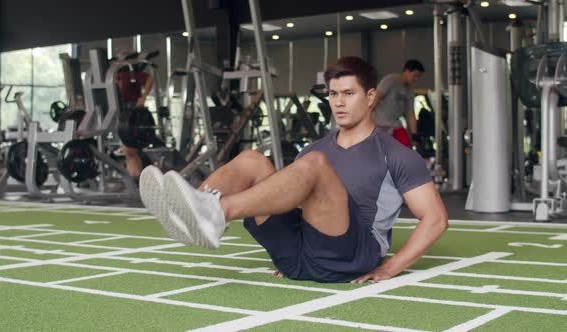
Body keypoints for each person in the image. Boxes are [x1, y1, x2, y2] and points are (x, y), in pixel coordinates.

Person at [140, 56, 448, 283]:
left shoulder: (396, 155)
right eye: (333, 94)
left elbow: (435, 219)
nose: (338, 103)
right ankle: (189, 210)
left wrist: (391, 267)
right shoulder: (316, 149)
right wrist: (292, 247)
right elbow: (285, 195)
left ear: (370, 98)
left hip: (351, 255)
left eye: (348, 94)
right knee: (251, 160)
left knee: (312, 166)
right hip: (298, 255)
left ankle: (216, 212)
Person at [116, 54, 154, 178]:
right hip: (120, 112)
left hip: (132, 113)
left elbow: (150, 79)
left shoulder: (130, 73)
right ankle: (137, 179)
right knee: (128, 152)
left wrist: (143, 98)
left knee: (130, 151)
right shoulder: (115, 76)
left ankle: (138, 179)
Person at [373, 59, 425, 147]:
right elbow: (376, 97)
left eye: (418, 77)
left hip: (394, 124)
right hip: (379, 123)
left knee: (405, 146)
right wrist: (366, 120)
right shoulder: (391, 80)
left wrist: (414, 133)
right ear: (407, 71)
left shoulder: (410, 90)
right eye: (415, 75)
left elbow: (410, 113)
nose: (416, 79)